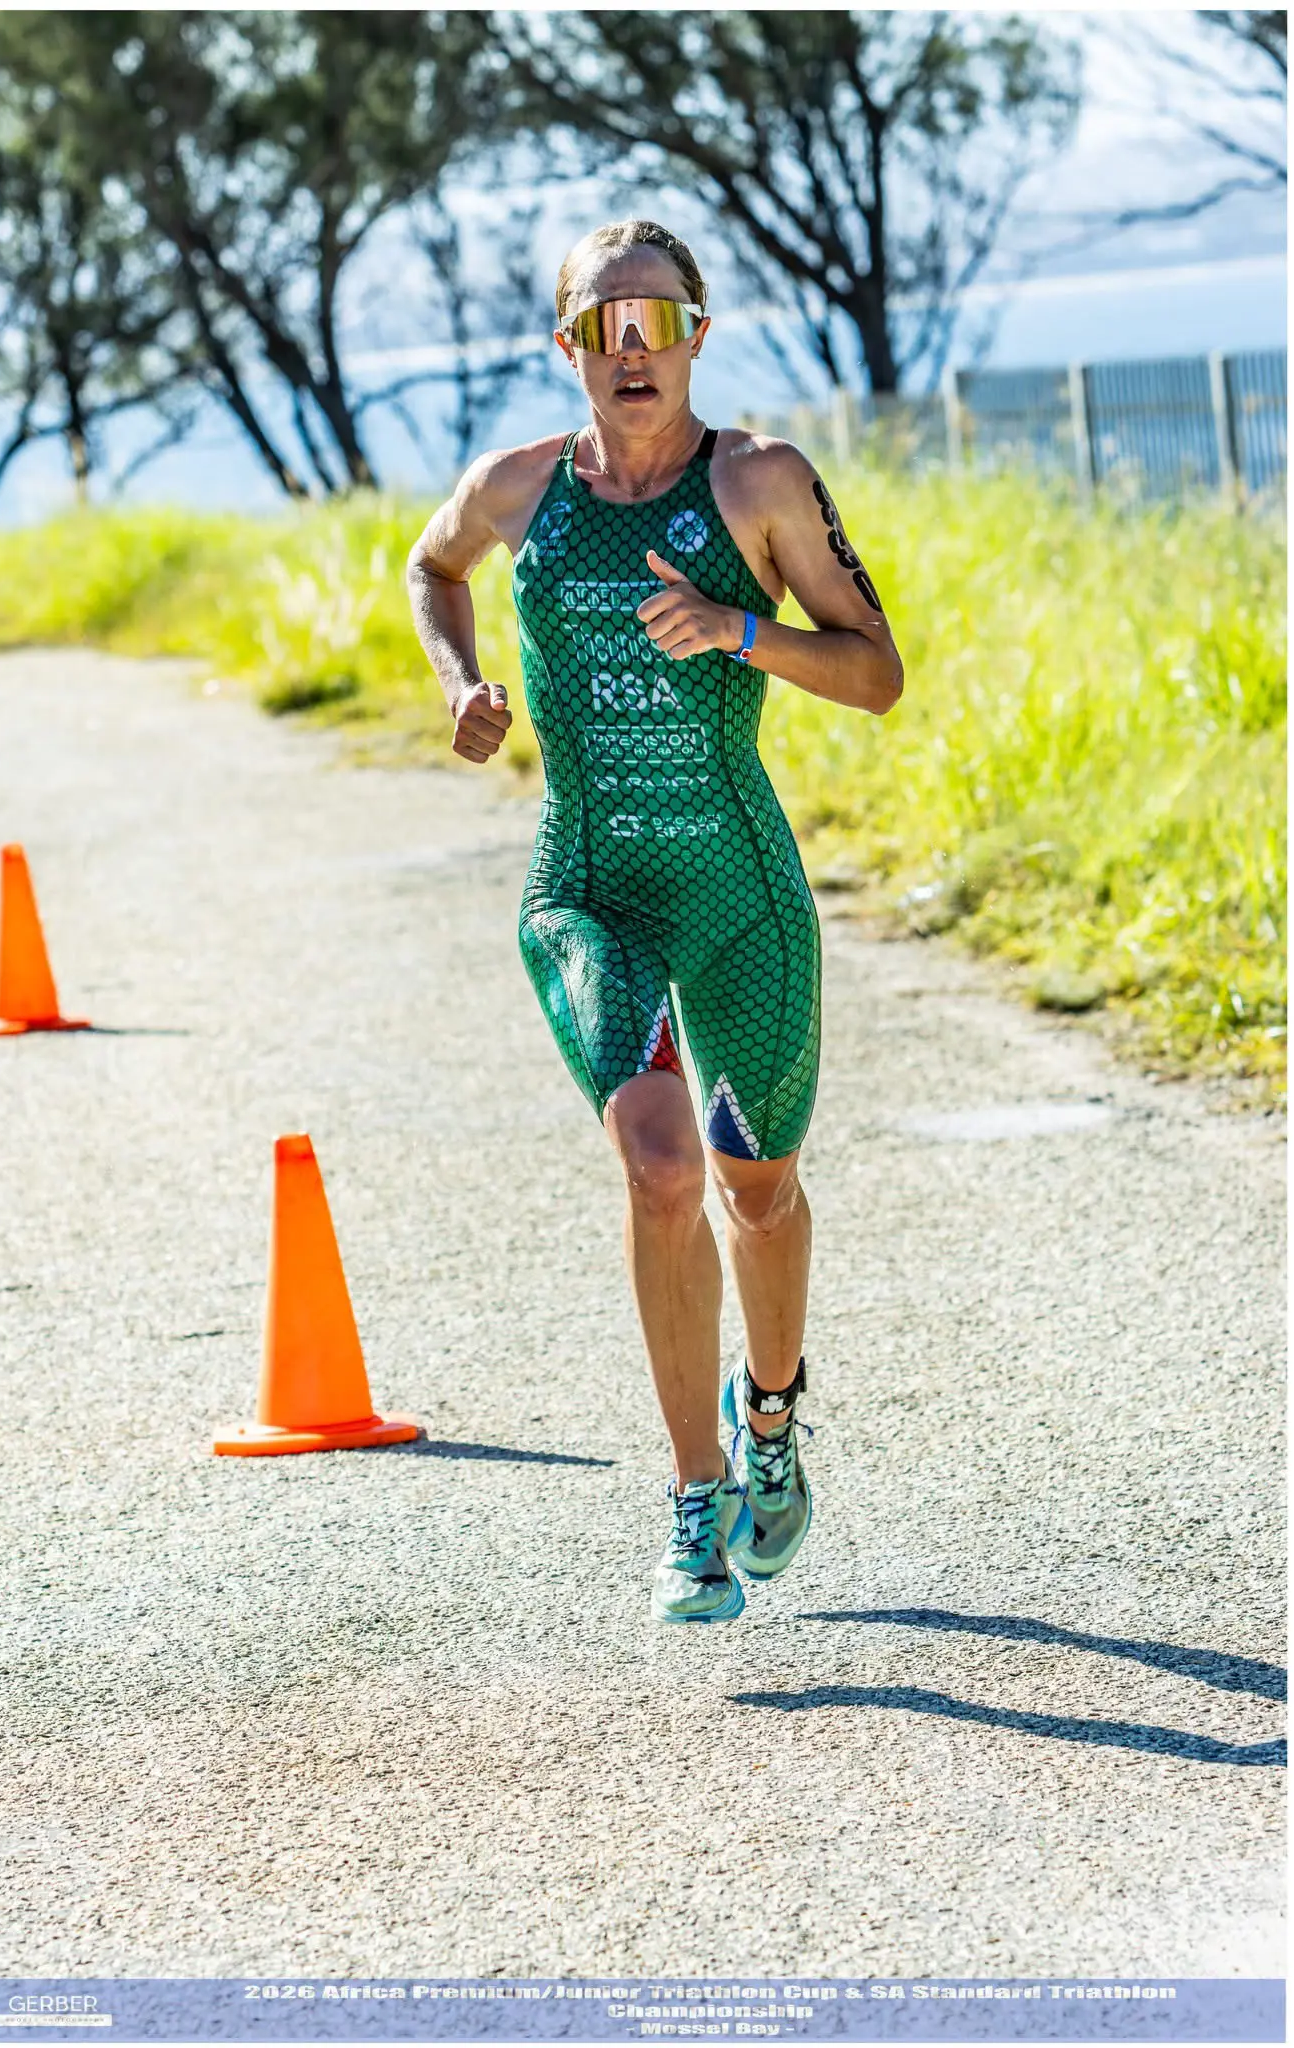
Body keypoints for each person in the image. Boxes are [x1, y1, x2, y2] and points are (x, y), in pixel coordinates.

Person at [406, 219, 903, 1624]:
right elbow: (430, 569)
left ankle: (773, 1420)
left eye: (658, 322)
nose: (633, 351)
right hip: (588, 885)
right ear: (565, 346)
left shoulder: (759, 483)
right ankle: (694, 1500)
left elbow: (877, 674)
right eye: (604, 326)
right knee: (661, 1163)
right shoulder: (514, 489)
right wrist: (460, 686)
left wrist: (739, 631)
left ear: (698, 334)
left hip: (738, 888)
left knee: (757, 1186)